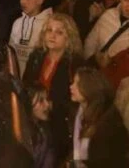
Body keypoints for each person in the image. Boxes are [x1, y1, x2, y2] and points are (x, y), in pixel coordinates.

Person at [23, 13, 84, 163]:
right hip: (33, 121)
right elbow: (25, 86)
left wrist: (50, 106)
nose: (52, 35)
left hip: (58, 124)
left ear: (68, 38)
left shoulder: (75, 64)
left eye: (59, 32)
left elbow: (77, 101)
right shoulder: (36, 56)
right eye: (49, 30)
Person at [69, 66, 129, 165]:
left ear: (90, 87)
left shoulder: (108, 122)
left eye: (77, 83)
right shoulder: (78, 112)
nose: (71, 86)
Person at [9, 0, 52, 77]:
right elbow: (10, 53)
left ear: (40, 0)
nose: (22, 1)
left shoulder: (48, 24)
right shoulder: (17, 23)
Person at [83, 0, 129, 66]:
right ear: (121, 0)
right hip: (92, 65)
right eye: (126, 0)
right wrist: (88, 60)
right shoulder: (108, 14)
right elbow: (91, 40)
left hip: (115, 70)